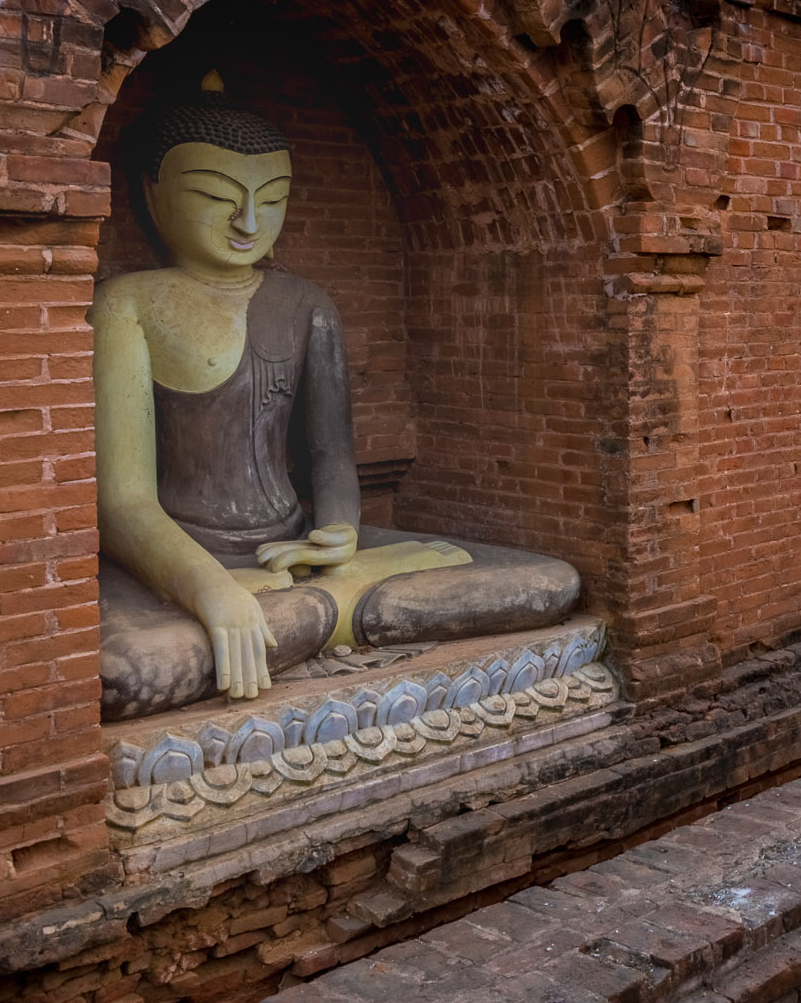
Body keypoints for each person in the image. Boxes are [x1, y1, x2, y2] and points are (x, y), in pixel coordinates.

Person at [92, 75, 579, 720]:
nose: (248, 221)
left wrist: (340, 535)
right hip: (185, 559)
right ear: (153, 196)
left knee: (547, 584)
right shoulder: (129, 303)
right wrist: (211, 591)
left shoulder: (305, 304)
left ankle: (318, 605)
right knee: (125, 674)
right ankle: (337, 608)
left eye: (272, 200)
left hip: (295, 551)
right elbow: (123, 502)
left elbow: (331, 454)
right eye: (216, 195)